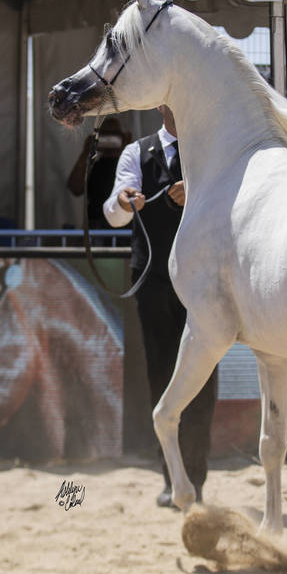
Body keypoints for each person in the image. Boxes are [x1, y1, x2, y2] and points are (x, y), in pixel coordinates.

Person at [103, 105, 217, 507]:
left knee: (201, 377)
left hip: (202, 281)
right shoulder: (137, 152)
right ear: (160, 107)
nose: (176, 109)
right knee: (161, 372)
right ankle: (171, 477)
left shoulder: (210, 149)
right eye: (169, 102)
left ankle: (195, 480)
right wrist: (123, 199)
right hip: (151, 277)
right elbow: (114, 216)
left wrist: (199, 194)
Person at [67, 116, 131, 230]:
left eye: (114, 135)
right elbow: (75, 188)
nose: (110, 140)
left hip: (125, 226)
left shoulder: (130, 165)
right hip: (96, 226)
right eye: (105, 135)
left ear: (123, 136)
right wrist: (86, 152)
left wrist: (127, 148)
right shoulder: (93, 165)